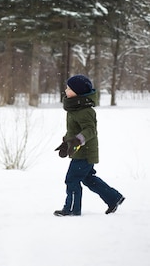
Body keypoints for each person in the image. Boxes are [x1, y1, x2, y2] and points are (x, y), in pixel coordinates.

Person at [53, 74, 125, 217]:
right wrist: (65, 143)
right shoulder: (75, 108)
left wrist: (77, 141)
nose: (66, 90)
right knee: (88, 179)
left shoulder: (84, 110)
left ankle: (72, 209)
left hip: (84, 152)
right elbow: (73, 130)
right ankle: (113, 198)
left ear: (77, 92)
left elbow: (90, 130)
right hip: (80, 150)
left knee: (72, 179)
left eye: (68, 88)